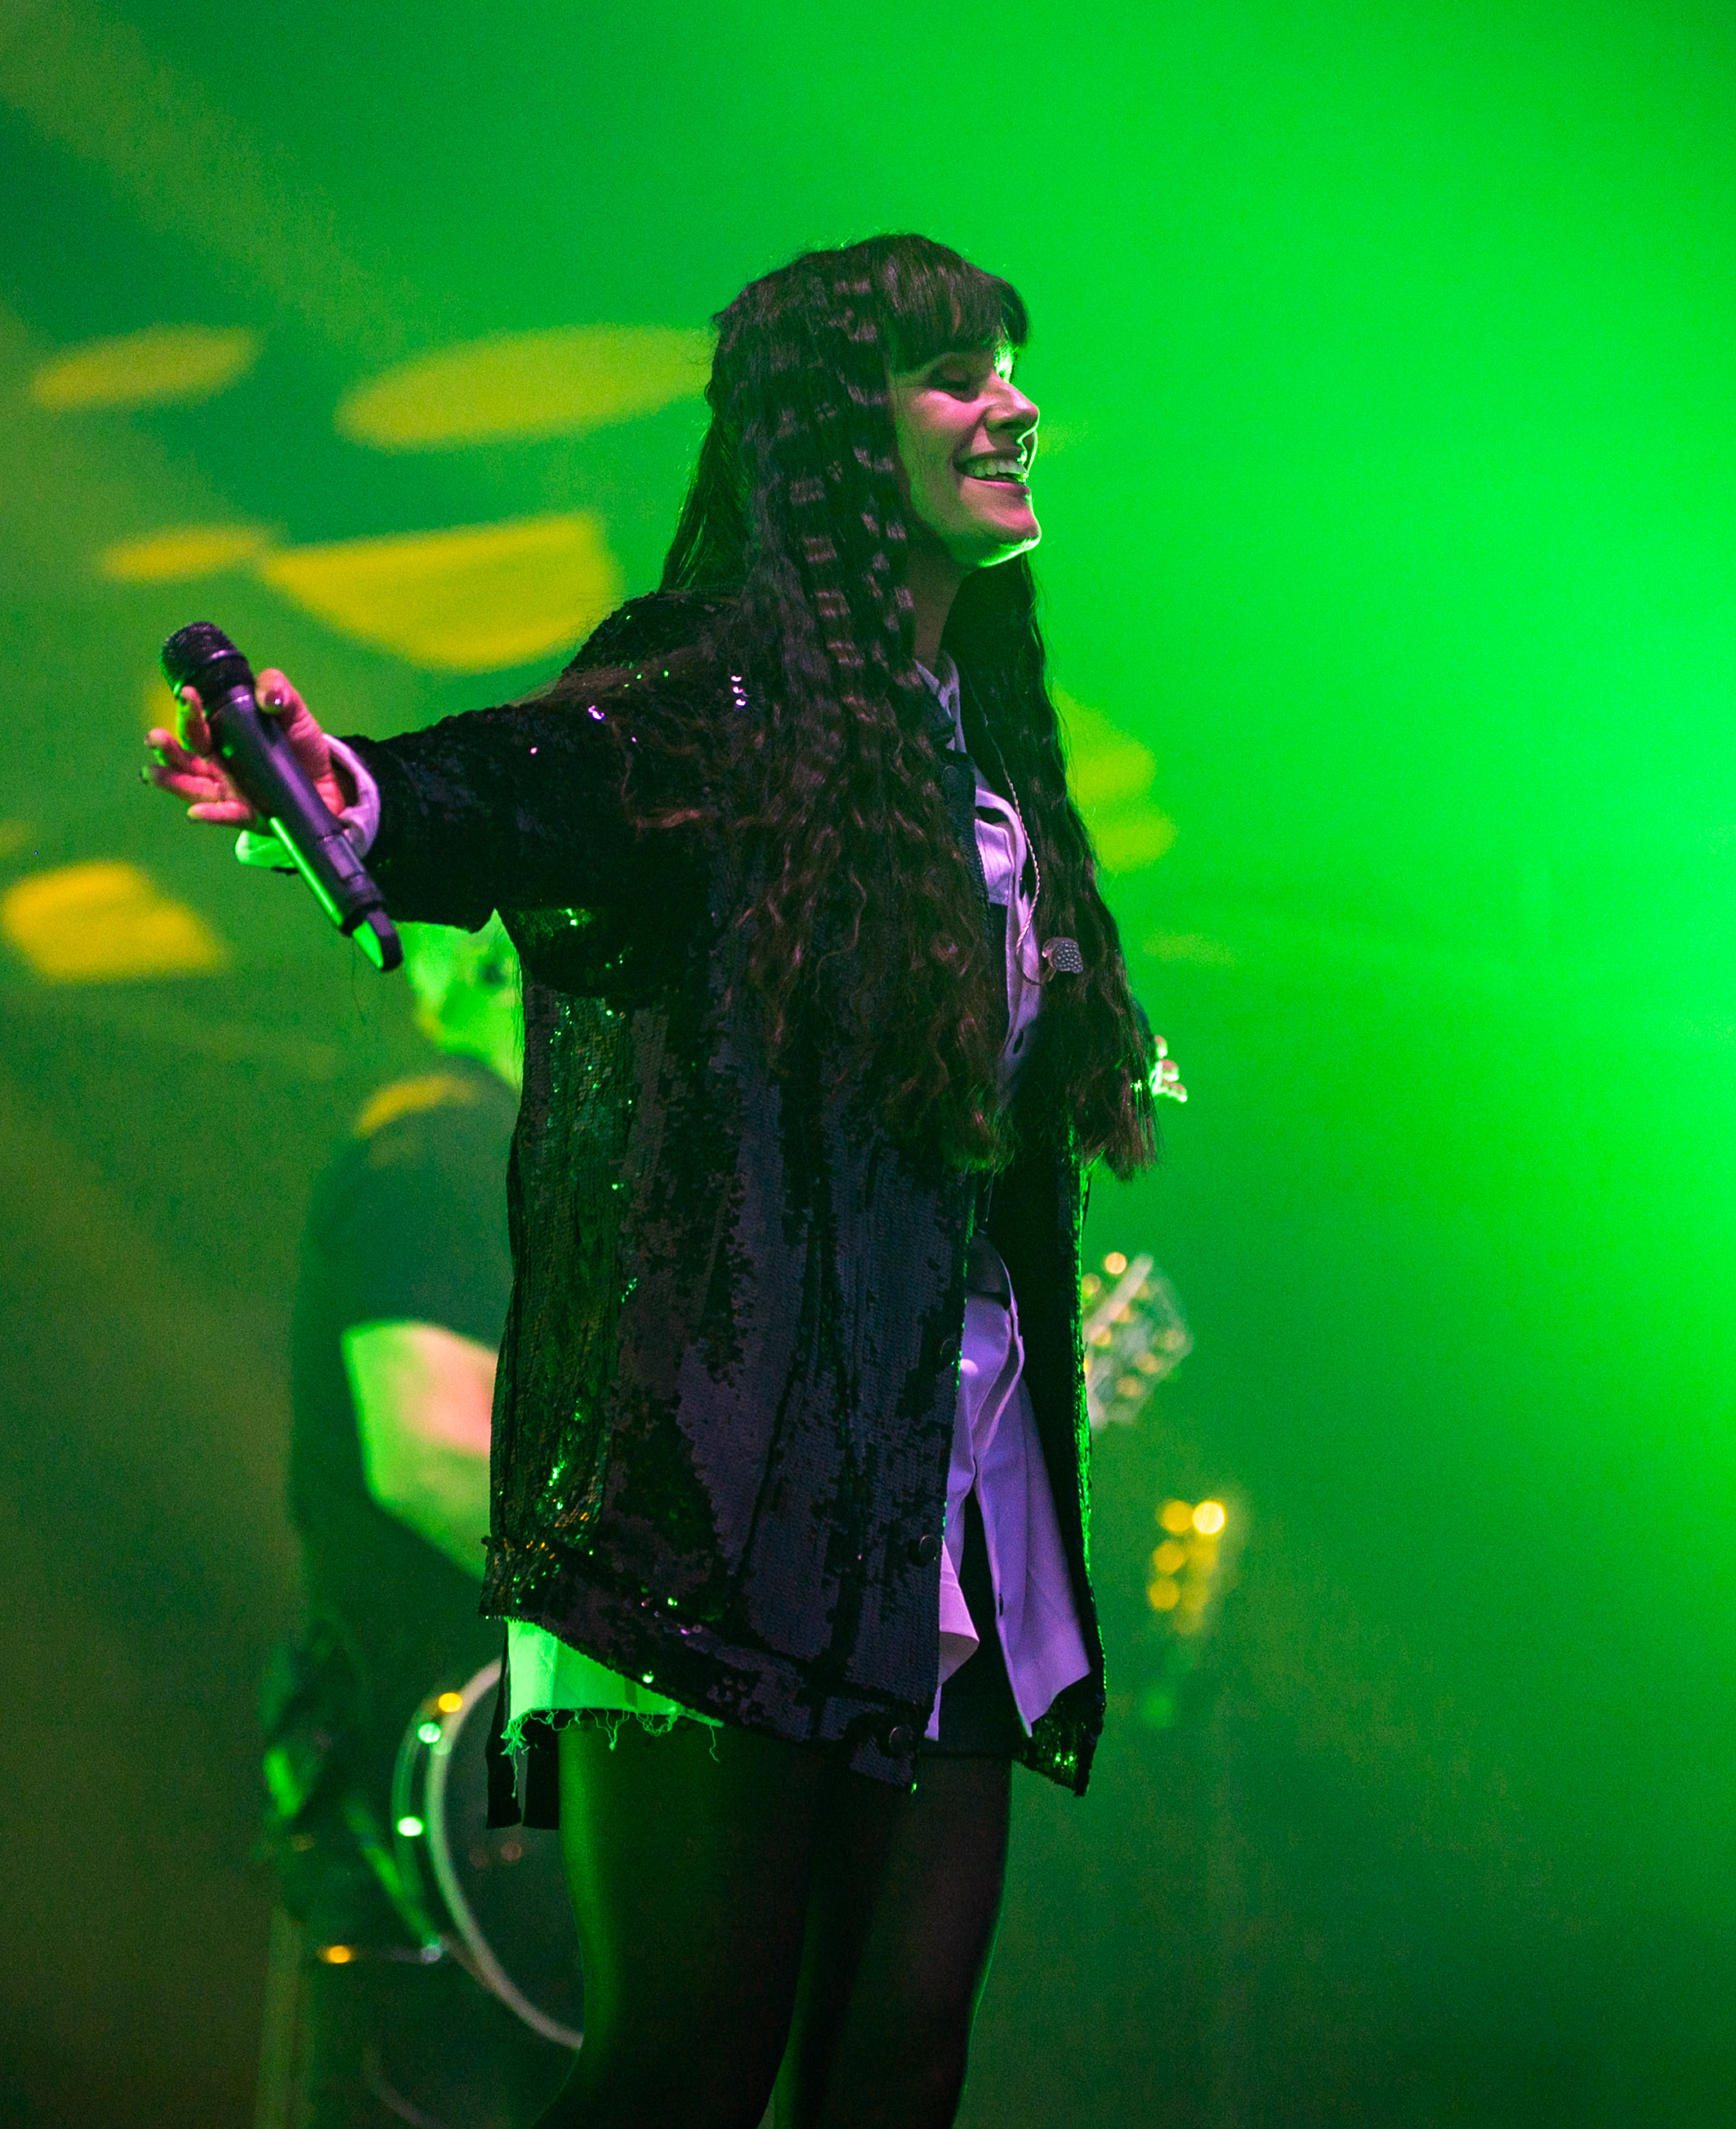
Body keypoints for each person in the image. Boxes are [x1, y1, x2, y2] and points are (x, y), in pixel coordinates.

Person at [151, 234, 1168, 2129]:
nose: (1011, 406)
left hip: (955, 1482)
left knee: (900, 2052)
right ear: (834, 435)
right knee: (687, 2059)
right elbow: (533, 779)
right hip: (732, 1484)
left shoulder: (986, 755)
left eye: (1010, 363)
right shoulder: (717, 704)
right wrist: (356, 794)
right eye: (955, 373)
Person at [257, 916, 570, 2128]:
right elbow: (434, 1456)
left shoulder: (556, 1168)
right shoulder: (444, 1145)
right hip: (451, 1816)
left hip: (512, 1818)